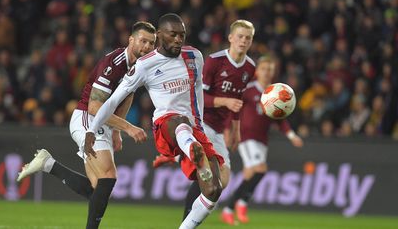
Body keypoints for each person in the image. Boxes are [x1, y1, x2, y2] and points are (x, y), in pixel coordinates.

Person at [84, 13, 224, 229]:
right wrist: (92, 131)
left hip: (192, 129)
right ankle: (190, 147)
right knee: (178, 120)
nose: (179, 39)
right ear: (159, 35)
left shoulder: (194, 56)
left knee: (214, 190)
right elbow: (112, 102)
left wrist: (200, 126)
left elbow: (197, 93)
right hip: (165, 125)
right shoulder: (144, 65)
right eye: (173, 34)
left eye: (182, 35)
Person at [16, 21, 156, 229]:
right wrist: (128, 127)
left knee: (97, 189)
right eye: (143, 41)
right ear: (131, 40)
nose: (147, 47)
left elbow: (127, 96)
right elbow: (94, 106)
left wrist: (116, 131)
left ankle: (48, 164)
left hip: (105, 122)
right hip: (87, 119)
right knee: (109, 175)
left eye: (151, 43)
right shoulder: (114, 63)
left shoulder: (139, 66)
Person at [153, 19, 257, 220]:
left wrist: (235, 129)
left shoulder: (249, 67)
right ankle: (187, 219)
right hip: (201, 122)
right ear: (230, 38)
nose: (243, 41)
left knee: (223, 180)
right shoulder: (215, 61)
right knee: (208, 177)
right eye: (240, 37)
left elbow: (238, 101)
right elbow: (201, 97)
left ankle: (177, 156)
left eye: (248, 38)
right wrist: (225, 102)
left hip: (218, 129)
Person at [221, 56, 304, 225]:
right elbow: (233, 110)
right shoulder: (248, 90)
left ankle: (230, 209)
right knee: (260, 169)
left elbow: (281, 120)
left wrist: (292, 136)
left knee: (250, 174)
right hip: (246, 136)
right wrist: (228, 130)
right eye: (264, 69)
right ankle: (239, 205)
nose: (267, 72)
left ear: (273, 73)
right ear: (257, 71)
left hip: (262, 139)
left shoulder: (276, 94)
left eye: (270, 69)